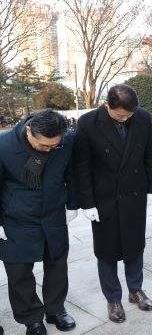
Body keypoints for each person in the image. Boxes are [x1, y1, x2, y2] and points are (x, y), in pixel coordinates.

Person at [73, 84, 152, 323]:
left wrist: (151, 187)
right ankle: (113, 298)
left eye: (129, 115)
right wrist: (87, 203)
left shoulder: (142, 117)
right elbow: (82, 166)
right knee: (107, 251)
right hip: (104, 197)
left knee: (135, 246)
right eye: (120, 115)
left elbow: (149, 153)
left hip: (134, 193)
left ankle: (135, 290)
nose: (125, 118)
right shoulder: (88, 123)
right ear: (107, 104)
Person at [0, 109, 78, 335]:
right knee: (19, 272)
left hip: (53, 213)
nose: (47, 149)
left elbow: (71, 173)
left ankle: (56, 310)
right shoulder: (4, 146)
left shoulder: (66, 142)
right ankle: (32, 319)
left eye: (53, 146)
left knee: (56, 265)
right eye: (43, 145)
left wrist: (72, 205)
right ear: (29, 131)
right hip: (16, 217)